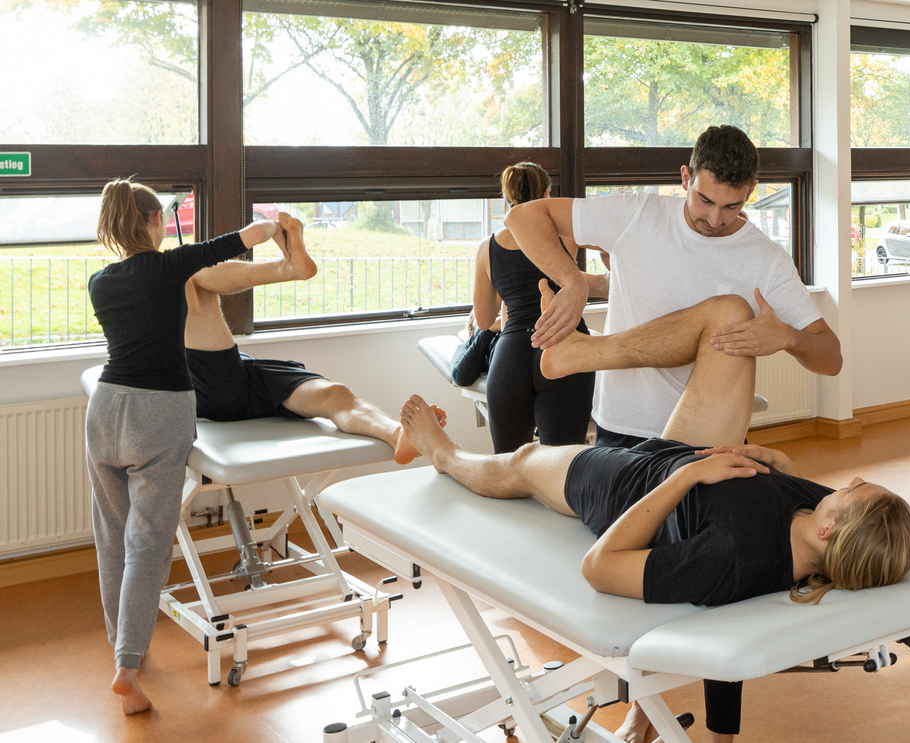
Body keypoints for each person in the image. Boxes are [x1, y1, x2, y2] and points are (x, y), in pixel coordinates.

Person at [395, 292, 910, 743]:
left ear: (831, 529)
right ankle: (587, 354)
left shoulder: (730, 559)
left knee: (527, 461)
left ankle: (444, 455)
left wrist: (686, 479)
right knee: (728, 318)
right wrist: (783, 468)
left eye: (854, 489)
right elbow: (735, 629)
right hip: (684, 455)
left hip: (626, 485)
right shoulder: (813, 513)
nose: (846, 481)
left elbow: (600, 568)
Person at [505, 125, 841, 449]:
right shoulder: (638, 215)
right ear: (685, 178)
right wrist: (572, 282)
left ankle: (584, 352)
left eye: (731, 207)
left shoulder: (767, 260)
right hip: (623, 426)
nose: (713, 219)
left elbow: (832, 358)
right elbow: (523, 217)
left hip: (711, 434)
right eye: (705, 200)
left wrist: (788, 337)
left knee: (729, 310)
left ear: (751, 191)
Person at [84, 179, 278, 714]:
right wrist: (278, 224)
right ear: (154, 222)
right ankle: (128, 666)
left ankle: (121, 651)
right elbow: (247, 236)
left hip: (104, 410)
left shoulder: (100, 282)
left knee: (112, 537)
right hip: (160, 411)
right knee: (148, 544)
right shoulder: (171, 267)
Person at [183, 213, 442, 463]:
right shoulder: (156, 274)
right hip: (206, 384)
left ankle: (398, 435)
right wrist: (274, 229)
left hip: (243, 374)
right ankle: (288, 269)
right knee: (190, 275)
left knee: (335, 394)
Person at [471, 162, 595, 453]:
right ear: (548, 194)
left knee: (507, 469)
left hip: (512, 356)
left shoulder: (486, 249)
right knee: (562, 467)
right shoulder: (565, 235)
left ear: (506, 198)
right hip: (564, 344)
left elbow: (485, 319)